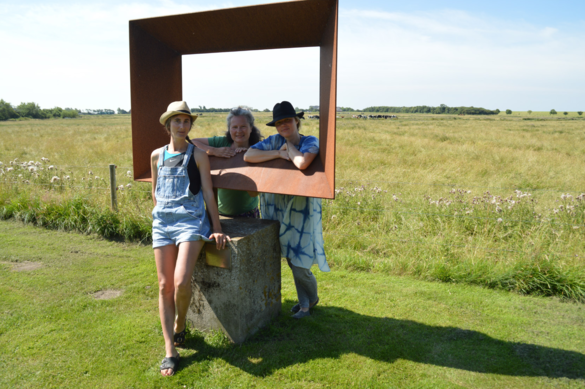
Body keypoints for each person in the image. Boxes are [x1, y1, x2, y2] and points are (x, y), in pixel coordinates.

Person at [150, 101, 230, 376]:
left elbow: (208, 193)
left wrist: (217, 227)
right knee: (164, 286)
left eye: (187, 122)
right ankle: (170, 349)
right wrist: (160, 215)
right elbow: (156, 190)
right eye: (177, 121)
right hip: (162, 222)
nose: (182, 126)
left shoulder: (198, 154)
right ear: (167, 125)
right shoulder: (156, 156)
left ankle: (180, 323)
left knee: (181, 281)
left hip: (191, 222)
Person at [244, 101, 329, 319]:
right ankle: (304, 304)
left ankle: (311, 300)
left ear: (296, 121)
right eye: (279, 122)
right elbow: (249, 156)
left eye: (287, 121)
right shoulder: (273, 141)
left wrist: (289, 147)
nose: (283, 125)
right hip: (276, 206)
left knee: (299, 261)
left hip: (299, 208)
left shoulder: (310, 141)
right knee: (291, 259)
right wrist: (278, 154)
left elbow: (302, 163)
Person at [192, 106, 262, 218]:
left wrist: (246, 157)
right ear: (229, 129)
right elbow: (192, 142)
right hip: (218, 214)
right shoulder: (221, 143)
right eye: (234, 127)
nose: (239, 131)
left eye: (243, 126)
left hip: (248, 214)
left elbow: (254, 193)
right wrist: (214, 151)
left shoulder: (258, 149)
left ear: (251, 128)